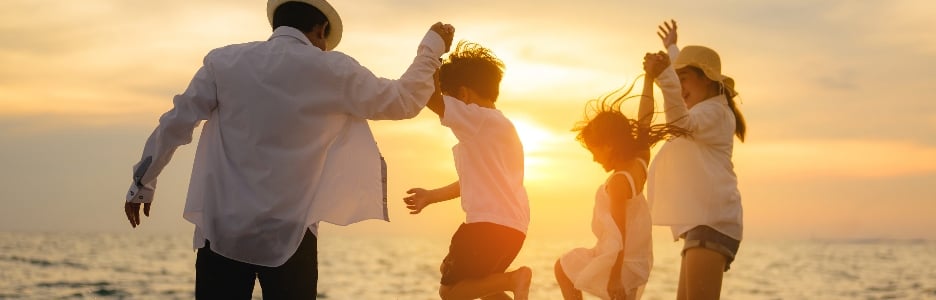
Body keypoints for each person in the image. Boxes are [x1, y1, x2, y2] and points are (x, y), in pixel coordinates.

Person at [121, 0, 454, 298]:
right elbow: (402, 102)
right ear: (321, 29)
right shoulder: (334, 70)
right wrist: (430, 49)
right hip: (292, 236)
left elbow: (176, 123)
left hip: (222, 230)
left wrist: (142, 184)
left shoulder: (223, 62)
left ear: (276, 24)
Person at [402, 41, 532, 300]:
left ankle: (515, 279)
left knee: (450, 292)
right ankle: (508, 282)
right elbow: (468, 182)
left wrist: (431, 57)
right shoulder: (499, 128)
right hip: (512, 228)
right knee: (481, 285)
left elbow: (432, 98)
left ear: (463, 95)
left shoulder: (478, 119)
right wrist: (431, 195)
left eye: (450, 97)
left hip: (488, 225)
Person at [555, 52, 689, 300]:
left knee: (564, 268)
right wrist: (649, 78)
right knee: (565, 267)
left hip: (618, 261)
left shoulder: (618, 182)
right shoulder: (639, 161)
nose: (595, 159)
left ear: (609, 145)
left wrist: (615, 276)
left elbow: (619, 235)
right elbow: (645, 121)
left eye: (595, 151)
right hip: (633, 260)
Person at [647, 20, 747, 300]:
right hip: (703, 222)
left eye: (684, 80)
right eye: (676, 81)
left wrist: (666, 76)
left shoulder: (714, 113)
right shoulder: (709, 107)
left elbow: (680, 122)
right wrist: (672, 48)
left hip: (712, 222)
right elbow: (684, 76)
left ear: (707, 78)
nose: (679, 89)